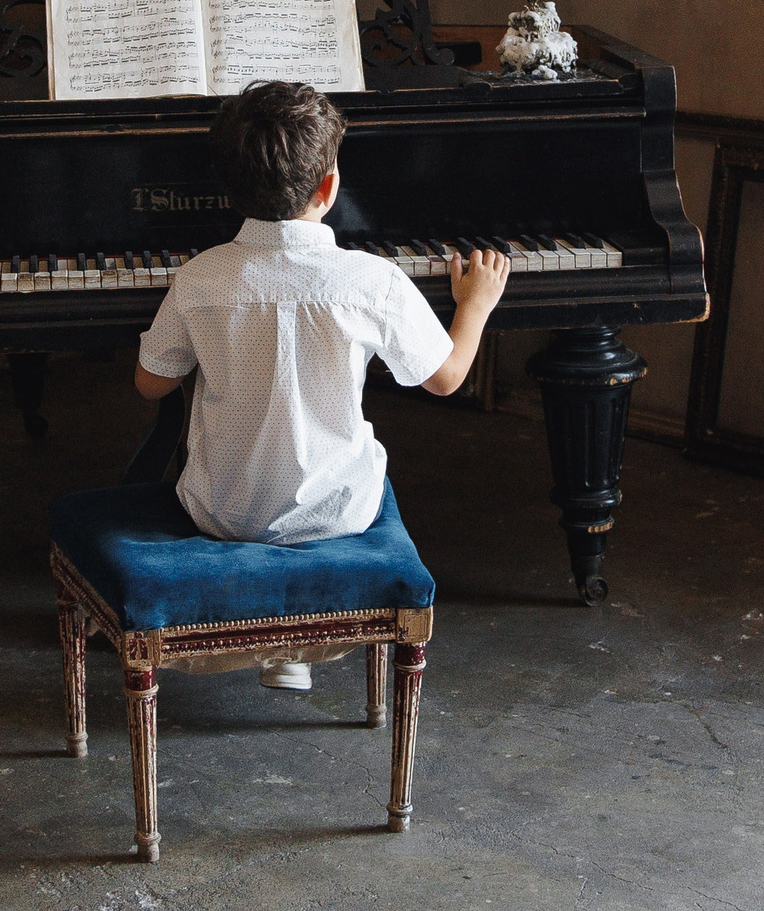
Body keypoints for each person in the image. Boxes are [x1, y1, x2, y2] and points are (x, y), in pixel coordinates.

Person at [132, 80, 510, 691]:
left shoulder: (200, 277)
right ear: (329, 187)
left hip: (221, 513)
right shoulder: (371, 280)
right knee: (353, 462)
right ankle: (293, 638)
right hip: (338, 513)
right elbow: (446, 379)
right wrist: (474, 307)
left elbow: (150, 384)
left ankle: (271, 628)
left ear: (230, 190)